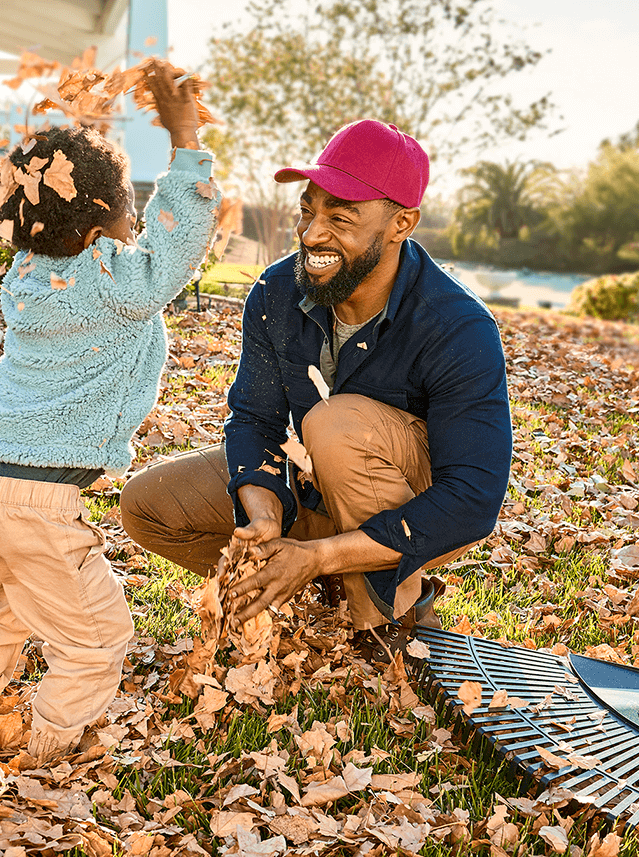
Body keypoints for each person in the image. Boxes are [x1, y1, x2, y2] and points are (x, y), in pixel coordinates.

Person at [120, 119, 511, 662]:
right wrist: (261, 514)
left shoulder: (457, 325)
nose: (311, 234)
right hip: (312, 483)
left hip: (417, 504)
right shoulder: (278, 292)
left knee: (334, 421)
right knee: (148, 504)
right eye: (309, 211)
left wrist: (322, 554)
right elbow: (253, 417)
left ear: (402, 223)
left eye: (340, 217)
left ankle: (389, 615)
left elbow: (472, 500)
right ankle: (322, 578)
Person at [0, 61, 219, 763]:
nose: (137, 221)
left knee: (4, 603)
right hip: (34, 503)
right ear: (101, 229)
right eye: (128, 209)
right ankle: (49, 744)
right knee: (96, 638)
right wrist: (184, 144)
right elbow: (176, 244)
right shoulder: (112, 279)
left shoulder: (24, 275)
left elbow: (71, 221)